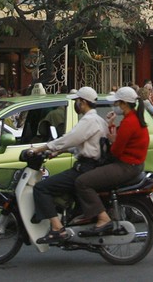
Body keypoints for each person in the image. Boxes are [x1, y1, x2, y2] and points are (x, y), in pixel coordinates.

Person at [31, 87, 108, 244]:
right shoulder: (99, 120)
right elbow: (83, 144)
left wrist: (42, 148)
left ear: (83, 102)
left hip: (85, 168)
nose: (75, 104)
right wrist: (59, 152)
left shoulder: (89, 120)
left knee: (41, 188)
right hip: (91, 165)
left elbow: (69, 138)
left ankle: (57, 228)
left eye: (77, 101)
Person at [74, 86, 150, 235]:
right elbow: (118, 140)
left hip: (126, 166)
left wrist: (111, 140)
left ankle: (102, 218)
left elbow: (116, 150)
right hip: (132, 165)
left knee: (82, 182)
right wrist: (111, 126)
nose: (115, 106)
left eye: (116, 103)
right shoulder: (132, 119)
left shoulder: (130, 122)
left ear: (124, 104)